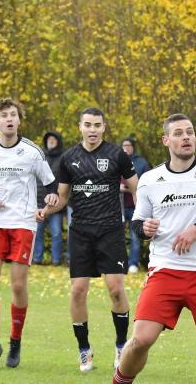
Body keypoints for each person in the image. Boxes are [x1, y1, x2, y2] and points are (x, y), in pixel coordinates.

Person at [112, 113, 196, 384]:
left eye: (190, 132)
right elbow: (137, 223)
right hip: (165, 271)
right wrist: (144, 228)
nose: (186, 137)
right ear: (166, 140)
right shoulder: (150, 179)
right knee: (140, 340)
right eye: (179, 133)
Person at [37, 107, 138, 372]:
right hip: (81, 232)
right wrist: (46, 209)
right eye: (88, 125)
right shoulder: (69, 158)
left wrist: (142, 218)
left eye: (97, 125)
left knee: (115, 289)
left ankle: (121, 346)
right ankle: (84, 351)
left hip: (110, 231)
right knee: (78, 291)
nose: (92, 130)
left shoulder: (117, 154)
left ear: (104, 127)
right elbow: (62, 198)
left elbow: (137, 189)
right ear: (80, 127)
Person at [0, 98, 59, 369]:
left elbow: (51, 184)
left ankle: (15, 341)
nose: (9, 119)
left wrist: (50, 200)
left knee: (18, 285)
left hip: (23, 222)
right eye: (4, 115)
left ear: (19, 120)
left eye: (13, 115)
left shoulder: (32, 152)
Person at [33, 131, 66, 265]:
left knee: (56, 233)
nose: (51, 141)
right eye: (49, 140)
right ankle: (37, 259)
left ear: (58, 142)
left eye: (54, 139)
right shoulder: (40, 157)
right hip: (39, 201)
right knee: (37, 232)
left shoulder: (63, 158)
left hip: (56, 204)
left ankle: (56, 260)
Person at [120, 137, 151, 273]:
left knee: (135, 238)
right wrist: (118, 187)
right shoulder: (116, 161)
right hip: (119, 206)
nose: (126, 148)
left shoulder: (142, 163)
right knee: (117, 237)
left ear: (133, 147)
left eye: (128, 145)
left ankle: (133, 264)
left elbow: (148, 182)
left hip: (136, 207)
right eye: (124, 145)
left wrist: (134, 188)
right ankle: (120, 262)